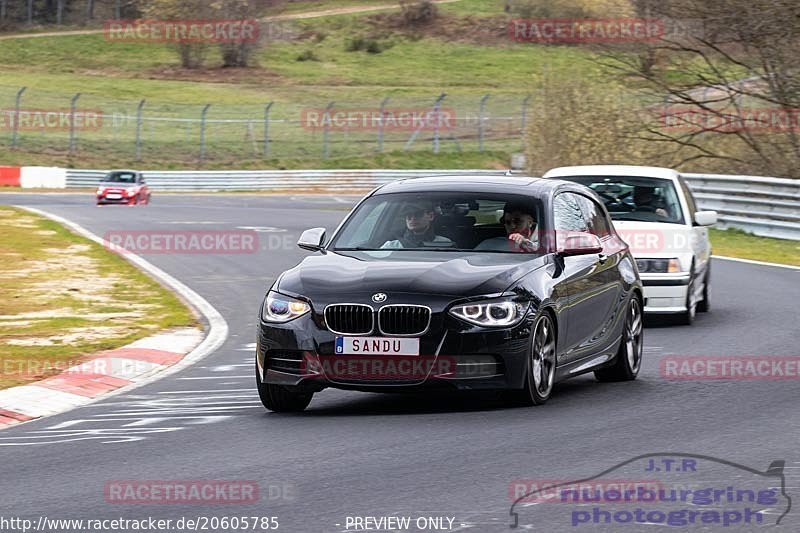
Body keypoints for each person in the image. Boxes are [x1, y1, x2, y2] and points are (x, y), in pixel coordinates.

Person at [381, 201, 454, 249]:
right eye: (408, 215)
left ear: (431, 216)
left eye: (418, 214)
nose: (412, 219)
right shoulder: (390, 247)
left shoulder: (445, 244)